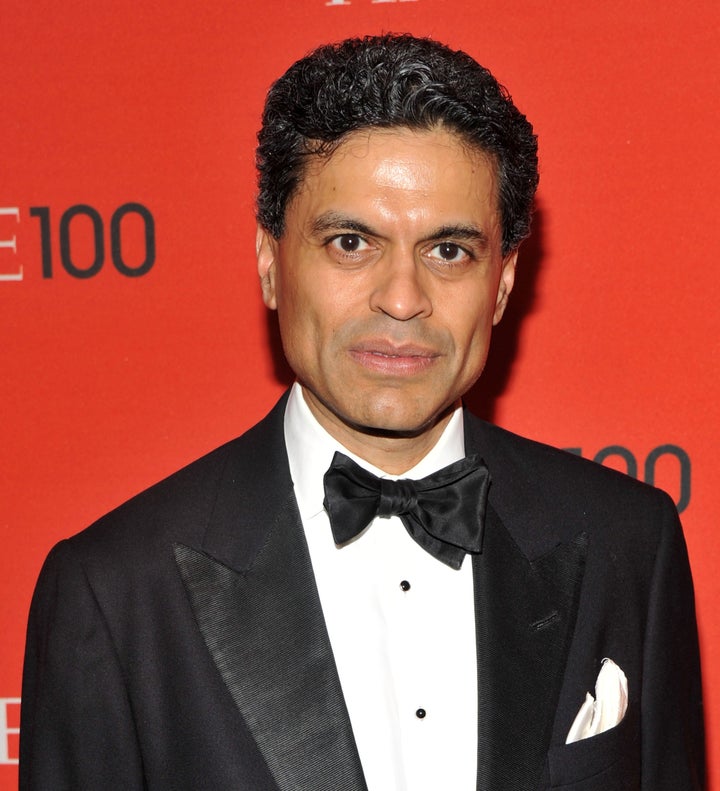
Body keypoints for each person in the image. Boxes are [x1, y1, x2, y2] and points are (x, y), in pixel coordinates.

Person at [20, 34, 704, 790]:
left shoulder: (629, 546)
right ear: (270, 263)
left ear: (504, 283)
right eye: (352, 243)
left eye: (449, 251)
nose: (403, 298)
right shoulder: (115, 591)